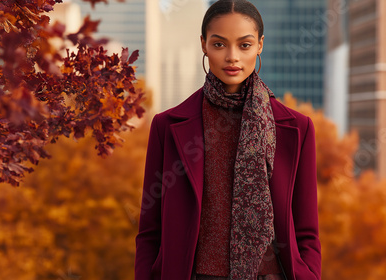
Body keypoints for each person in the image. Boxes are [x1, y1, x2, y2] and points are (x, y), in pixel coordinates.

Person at [135, 0, 321, 279]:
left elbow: (307, 232)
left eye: (244, 45)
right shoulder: (167, 126)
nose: (232, 56)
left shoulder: (297, 128)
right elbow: (150, 231)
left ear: (260, 45)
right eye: (219, 44)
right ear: (203, 45)